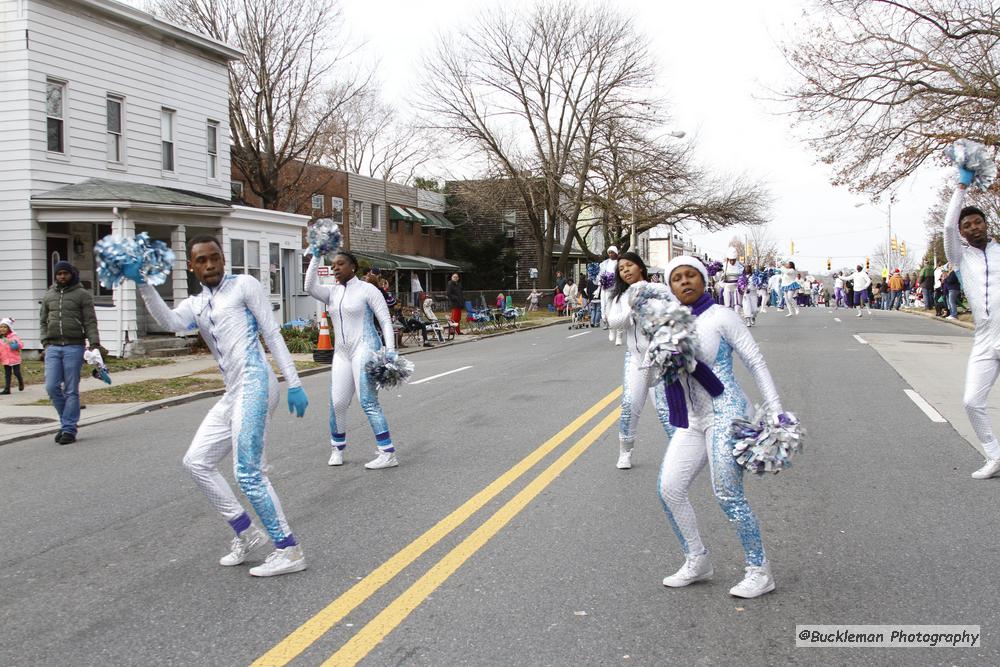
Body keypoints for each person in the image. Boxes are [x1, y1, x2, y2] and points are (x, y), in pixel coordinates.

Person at [132, 235, 310, 577]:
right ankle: (246, 531)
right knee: (197, 461)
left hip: (257, 382)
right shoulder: (195, 305)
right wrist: (143, 283)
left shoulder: (244, 285)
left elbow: (272, 333)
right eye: (202, 260)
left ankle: (288, 550)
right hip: (233, 391)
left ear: (223, 259)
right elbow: (169, 323)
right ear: (192, 266)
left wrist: (295, 382)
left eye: (215, 257)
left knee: (248, 472)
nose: (210, 265)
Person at [657, 255, 788, 599]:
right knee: (669, 488)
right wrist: (657, 355)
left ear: (703, 280)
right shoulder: (670, 324)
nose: (684, 282)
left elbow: (756, 362)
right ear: (671, 287)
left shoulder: (721, 317)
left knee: (727, 494)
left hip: (726, 413)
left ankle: (760, 571)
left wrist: (775, 411)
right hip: (693, 418)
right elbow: (658, 372)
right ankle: (696, 558)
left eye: (691, 276)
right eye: (677, 279)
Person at [306, 251, 400, 470]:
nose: (335, 268)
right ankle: (337, 448)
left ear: (353, 268)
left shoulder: (368, 290)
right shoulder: (331, 292)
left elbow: (385, 320)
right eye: (333, 265)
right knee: (337, 402)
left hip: (365, 347)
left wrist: (390, 352)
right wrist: (316, 256)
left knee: (367, 401)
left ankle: (387, 453)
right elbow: (308, 286)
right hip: (341, 353)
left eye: (340, 264)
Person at [943, 166, 1000, 479]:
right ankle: (994, 455)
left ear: (986, 224)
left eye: (978, 221)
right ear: (962, 232)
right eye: (968, 225)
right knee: (971, 401)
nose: (974, 227)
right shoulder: (960, 256)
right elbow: (947, 228)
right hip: (984, 339)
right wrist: (961, 187)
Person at [603, 251, 674, 470]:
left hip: (662, 359)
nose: (625, 271)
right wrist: (630, 306)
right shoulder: (619, 297)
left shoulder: (660, 290)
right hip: (636, 358)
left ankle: (679, 452)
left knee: (666, 408)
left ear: (640, 267)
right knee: (629, 404)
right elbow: (614, 322)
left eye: (629, 266)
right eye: (621, 269)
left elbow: (676, 315)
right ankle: (625, 451)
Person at [40, 261, 100, 445]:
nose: (62, 277)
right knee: (51, 387)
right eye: (59, 274)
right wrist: (44, 340)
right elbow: (42, 320)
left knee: (71, 389)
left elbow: (90, 321)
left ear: (72, 274)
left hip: (74, 346)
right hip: (53, 346)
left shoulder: (82, 295)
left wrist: (94, 343)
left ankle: (68, 429)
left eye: (65, 273)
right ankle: (67, 422)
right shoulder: (49, 295)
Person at [599, 246, 623, 345]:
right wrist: (602, 281)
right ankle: (611, 329)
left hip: (618, 291)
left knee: (619, 313)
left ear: (616, 253)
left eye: (612, 252)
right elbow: (600, 276)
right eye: (609, 253)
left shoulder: (621, 263)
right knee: (608, 313)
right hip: (607, 291)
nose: (611, 254)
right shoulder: (604, 264)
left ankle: (619, 336)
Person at [0, 318, 24, 394]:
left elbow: (20, 345)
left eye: (5, 327)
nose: (2, 329)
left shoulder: (14, 337)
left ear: (9, 328)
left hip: (15, 359)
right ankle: (7, 389)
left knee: (16, 372)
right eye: (1, 327)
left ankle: (21, 382)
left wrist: (13, 343)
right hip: (5, 359)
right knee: (7, 374)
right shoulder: (0, 338)